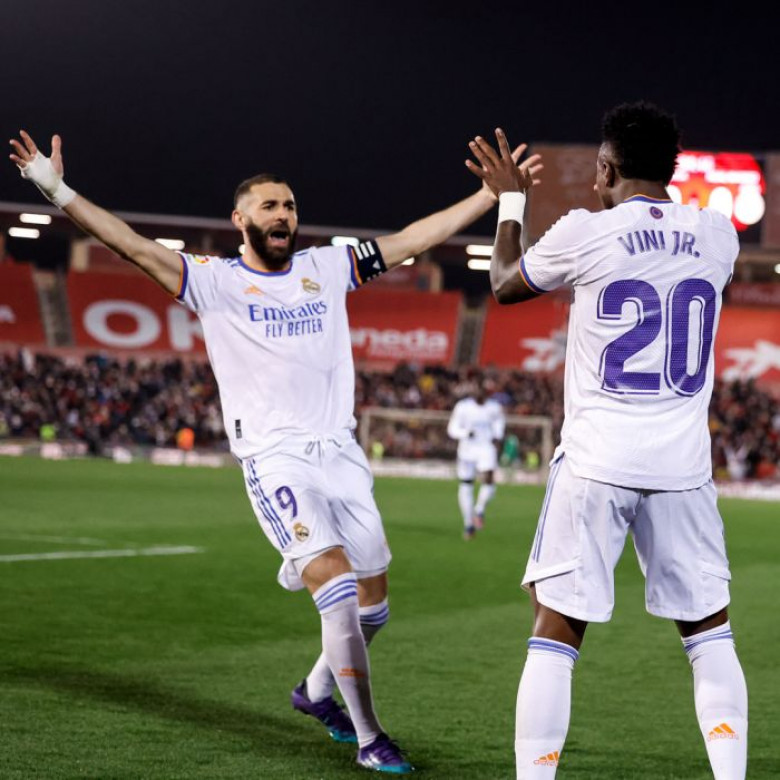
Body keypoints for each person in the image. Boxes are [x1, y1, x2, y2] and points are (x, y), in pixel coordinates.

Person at [10, 128, 538, 775]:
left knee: (374, 607)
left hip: (341, 453)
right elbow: (130, 244)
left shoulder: (326, 268)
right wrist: (56, 189)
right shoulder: (214, 282)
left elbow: (410, 241)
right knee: (337, 590)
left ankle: (315, 693)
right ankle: (370, 737)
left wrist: (488, 197)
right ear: (241, 220)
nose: (283, 215)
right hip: (276, 458)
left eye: (289, 205)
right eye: (269, 206)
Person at [466, 103, 747, 779]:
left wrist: (511, 202)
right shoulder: (719, 234)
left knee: (556, 631)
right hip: (682, 467)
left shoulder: (585, 231)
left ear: (606, 168)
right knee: (710, 634)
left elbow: (503, 284)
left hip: (597, 460)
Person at [446, 382, 506, 539]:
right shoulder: (462, 407)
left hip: (486, 447)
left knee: (489, 479)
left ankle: (479, 510)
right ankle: (468, 524)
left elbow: (499, 423)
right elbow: (452, 429)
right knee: (466, 484)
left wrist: (497, 435)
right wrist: (465, 433)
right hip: (467, 450)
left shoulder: (494, 407)